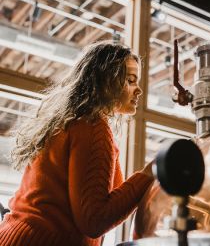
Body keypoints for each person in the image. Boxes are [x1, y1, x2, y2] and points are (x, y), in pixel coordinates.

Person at [0, 41, 154, 246]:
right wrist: (149, 174)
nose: (139, 91)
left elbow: (103, 207)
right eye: (131, 80)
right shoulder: (91, 126)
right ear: (106, 81)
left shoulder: (68, 123)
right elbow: (94, 220)